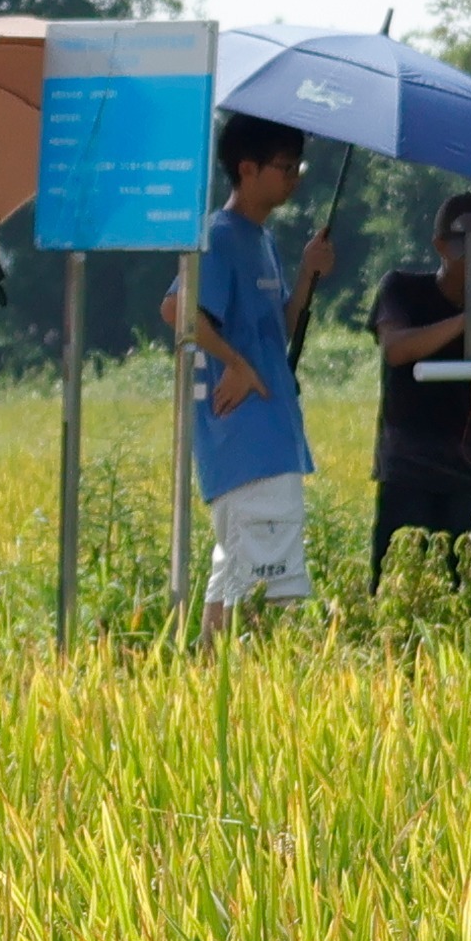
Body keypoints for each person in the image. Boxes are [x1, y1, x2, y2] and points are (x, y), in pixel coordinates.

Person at [167, 115, 335, 640]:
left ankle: (228, 678)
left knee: (254, 570)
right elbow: (179, 310)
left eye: (297, 167)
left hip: (273, 434)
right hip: (244, 437)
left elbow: (277, 333)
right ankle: (224, 680)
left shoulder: (260, 240)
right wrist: (238, 366)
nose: (294, 179)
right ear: (247, 169)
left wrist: (307, 275)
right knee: (252, 572)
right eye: (285, 167)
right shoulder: (219, 235)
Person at [370, 190, 471, 581]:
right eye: (467, 249)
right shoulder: (402, 289)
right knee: (400, 587)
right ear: (441, 247)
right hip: (408, 470)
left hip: (470, 477)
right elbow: (397, 348)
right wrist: (466, 319)